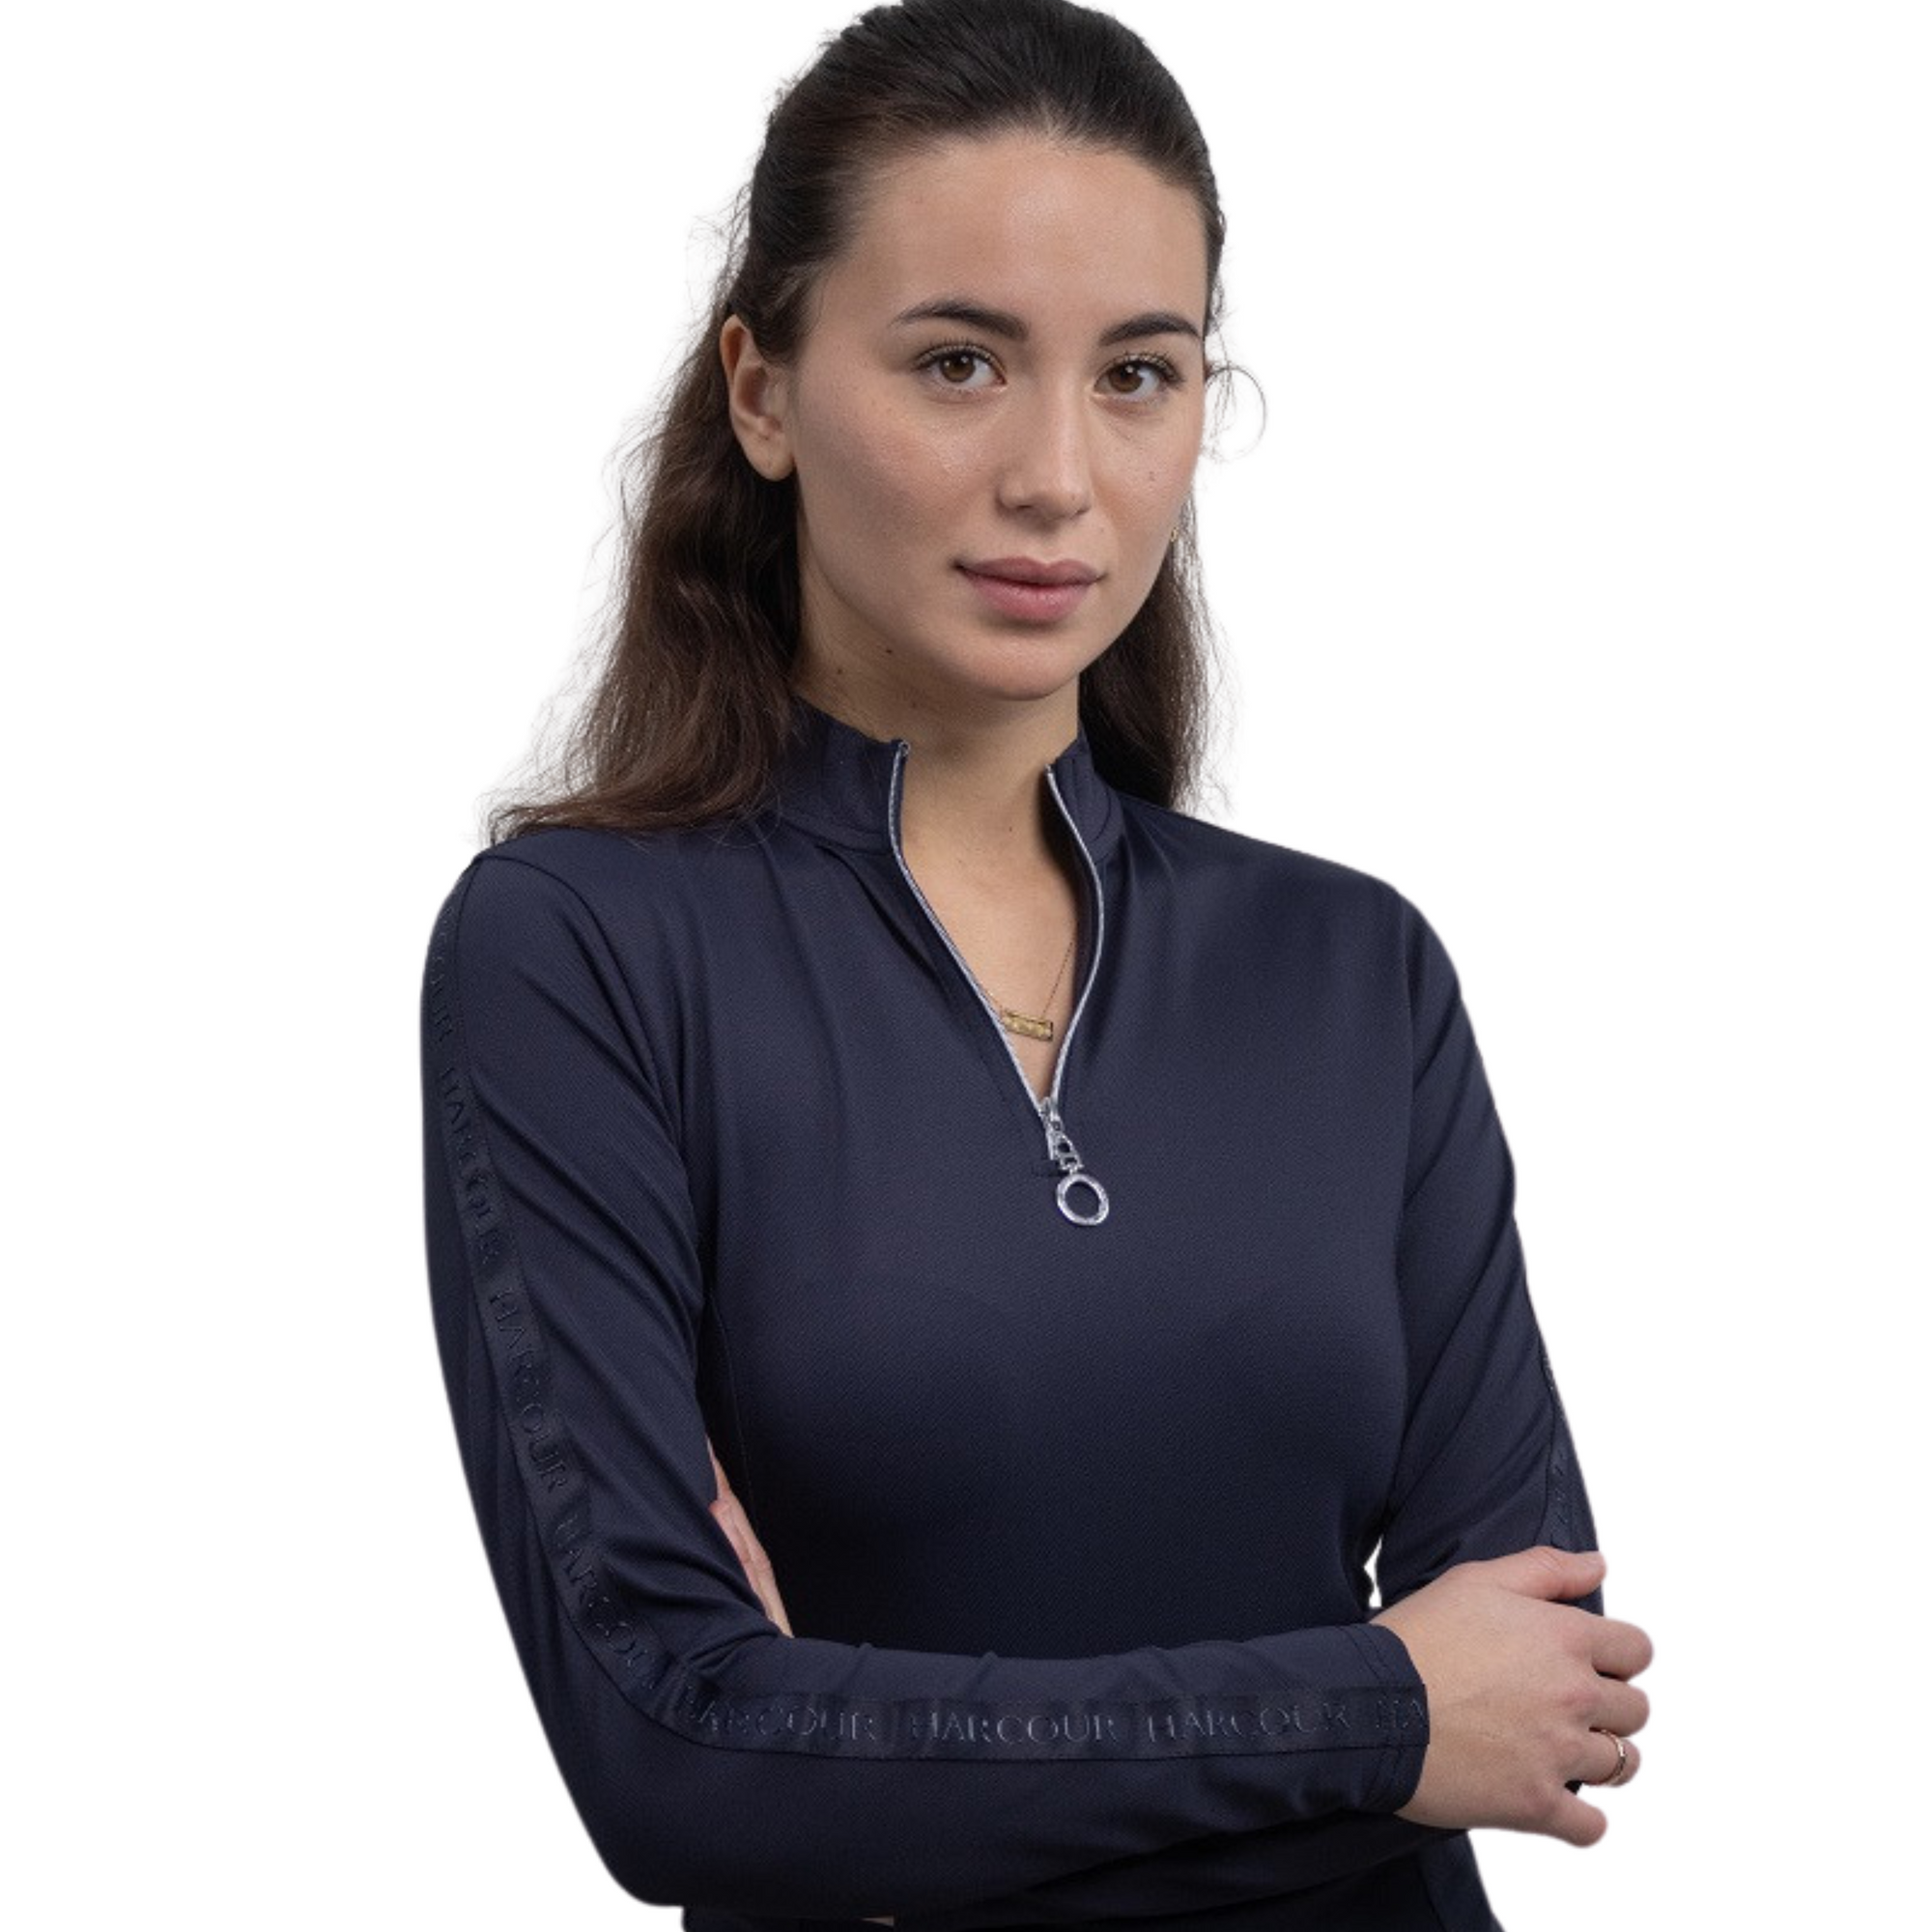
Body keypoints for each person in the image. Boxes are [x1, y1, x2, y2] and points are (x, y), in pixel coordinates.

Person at [418, 2, 1653, 1927]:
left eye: (1139, 373)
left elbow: (1544, 1695)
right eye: (959, 363)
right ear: (762, 389)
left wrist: (872, 1749)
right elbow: (682, 1764)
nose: (1059, 476)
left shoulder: (1353, 971)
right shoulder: (580, 950)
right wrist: (1382, 1708)